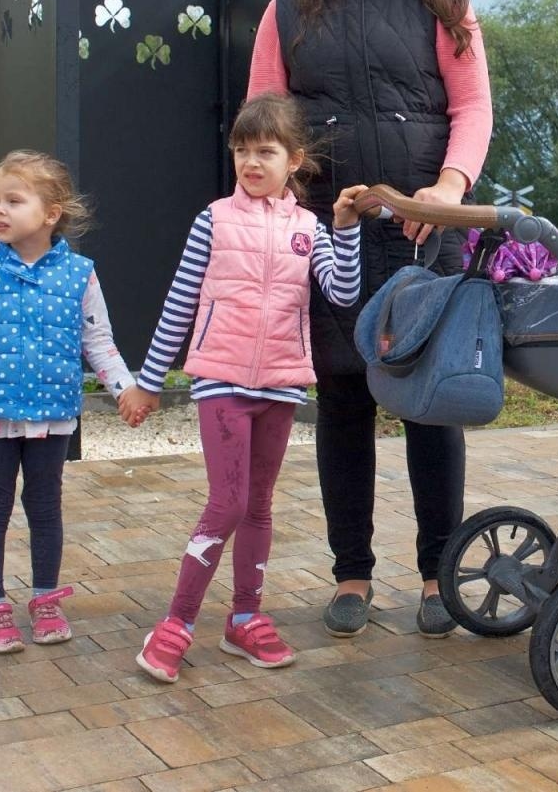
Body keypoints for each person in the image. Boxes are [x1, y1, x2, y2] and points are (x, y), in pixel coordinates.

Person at [245, 0, 492, 640]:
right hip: (330, 240)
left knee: (432, 405)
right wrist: (286, 215)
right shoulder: (285, 6)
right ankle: (351, 572)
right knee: (344, 404)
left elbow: (474, 106)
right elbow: (264, 122)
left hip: (425, 239)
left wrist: (448, 191)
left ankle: (438, 573)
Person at [121, 95, 366, 683]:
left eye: (265, 152)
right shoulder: (213, 219)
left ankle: (245, 617)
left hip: (281, 384)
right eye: (241, 151)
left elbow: (342, 292)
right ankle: (176, 623)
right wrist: (148, 382)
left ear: (294, 160)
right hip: (221, 381)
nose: (251, 163)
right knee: (226, 502)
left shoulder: (309, 228)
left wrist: (346, 229)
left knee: (258, 506)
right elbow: (180, 302)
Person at [0, 150, 140, 654]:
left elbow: (100, 343)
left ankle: (46, 598)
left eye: (13, 200)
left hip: (53, 416)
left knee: (45, 507)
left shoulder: (80, 275)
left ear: (50, 213)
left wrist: (125, 389)